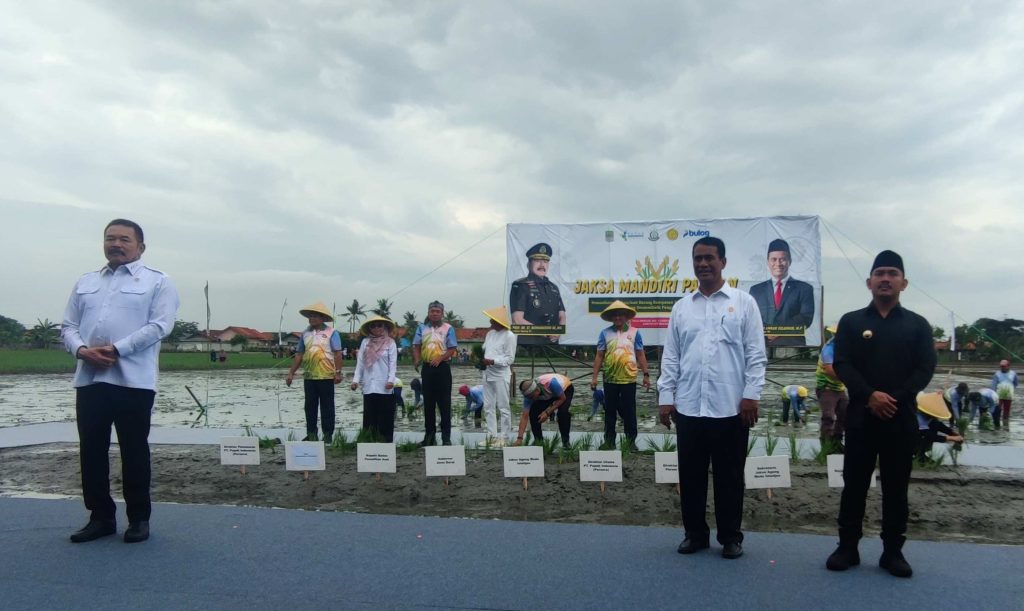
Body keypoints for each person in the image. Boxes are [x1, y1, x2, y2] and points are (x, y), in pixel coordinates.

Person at [61, 218, 180, 543]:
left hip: (134, 382)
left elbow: (160, 326)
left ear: (140, 246)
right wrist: (83, 350)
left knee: (134, 450)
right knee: (92, 450)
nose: (116, 244)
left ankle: (139, 518)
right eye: (110, 238)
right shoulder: (86, 281)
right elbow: (67, 326)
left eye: (124, 239)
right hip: (90, 380)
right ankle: (100, 517)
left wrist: (116, 349)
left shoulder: (158, 282)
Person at [826, 250, 936, 578]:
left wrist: (895, 399)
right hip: (861, 416)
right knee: (854, 485)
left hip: (901, 418)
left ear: (904, 282)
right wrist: (869, 395)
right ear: (869, 282)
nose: (885, 278)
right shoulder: (851, 322)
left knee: (896, 487)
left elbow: (925, 368)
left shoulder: (917, 325)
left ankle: (892, 552)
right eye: (879, 273)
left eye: (892, 273)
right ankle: (847, 547)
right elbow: (842, 363)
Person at [657, 236, 767, 560]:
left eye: (709, 258)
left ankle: (731, 537)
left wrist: (751, 396)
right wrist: (666, 395)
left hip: (731, 408)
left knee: (730, 477)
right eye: (698, 258)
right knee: (690, 477)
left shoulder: (744, 303)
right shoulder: (682, 307)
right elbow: (671, 357)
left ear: (723, 262)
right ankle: (695, 535)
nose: (703, 264)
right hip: (689, 407)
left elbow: (756, 355)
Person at [590, 300, 650, 451]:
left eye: (621, 315)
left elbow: (640, 354)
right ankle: (609, 441)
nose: (618, 317)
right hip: (610, 379)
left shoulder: (635, 332)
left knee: (630, 411)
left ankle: (630, 442)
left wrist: (646, 374)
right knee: (609, 412)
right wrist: (594, 377)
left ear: (626, 317)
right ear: (611, 317)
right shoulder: (605, 333)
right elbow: (599, 356)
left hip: (629, 379)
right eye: (615, 315)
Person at [286, 302, 343, 443]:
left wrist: (338, 372)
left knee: (327, 406)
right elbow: (299, 354)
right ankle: (311, 434)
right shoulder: (305, 333)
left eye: (315, 316)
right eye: (310, 316)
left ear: (322, 318)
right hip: (310, 376)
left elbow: (337, 354)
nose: (312, 318)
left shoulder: (332, 332)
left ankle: (328, 435)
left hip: (326, 376)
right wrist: (291, 373)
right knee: (309, 406)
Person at [748, 238, 815, 346]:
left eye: (782, 259)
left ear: (790, 261)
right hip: (761, 346)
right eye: (774, 259)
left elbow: (805, 318)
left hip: (793, 349)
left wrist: (778, 331)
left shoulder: (804, 289)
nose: (778, 263)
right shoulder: (756, 290)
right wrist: (768, 332)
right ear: (768, 262)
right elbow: (751, 318)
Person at [413, 301, 458, 446]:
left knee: (444, 404)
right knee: (429, 404)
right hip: (427, 369)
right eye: (432, 311)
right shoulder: (421, 328)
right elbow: (416, 345)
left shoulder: (448, 328)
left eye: (438, 311)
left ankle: (446, 438)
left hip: (443, 368)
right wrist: (417, 359)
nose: (435, 313)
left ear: (442, 313)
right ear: (428, 313)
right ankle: (429, 437)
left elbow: (452, 348)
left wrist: (440, 358)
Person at [351, 316, 398, 442]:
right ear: (369, 329)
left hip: (385, 386)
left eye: (379, 325)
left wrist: (390, 381)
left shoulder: (391, 343)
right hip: (369, 385)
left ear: (384, 327)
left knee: (385, 418)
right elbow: (360, 363)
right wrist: (355, 381)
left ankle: (386, 444)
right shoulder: (365, 342)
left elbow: (393, 365)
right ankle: (368, 445)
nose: (377, 328)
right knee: (370, 417)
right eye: (373, 326)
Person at [510, 242, 566, 344]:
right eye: (537, 260)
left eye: (545, 261)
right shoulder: (520, 285)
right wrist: (544, 332)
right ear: (529, 264)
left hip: (552, 345)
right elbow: (517, 320)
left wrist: (558, 332)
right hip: (528, 344)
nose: (542, 265)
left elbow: (562, 316)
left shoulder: (554, 288)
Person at [480, 306, 517, 445]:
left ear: (499, 321)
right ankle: (491, 435)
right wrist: (481, 360)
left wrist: (493, 361)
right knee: (488, 406)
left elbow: (509, 359)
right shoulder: (490, 334)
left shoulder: (509, 335)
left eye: (492, 320)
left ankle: (505, 436)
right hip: (487, 374)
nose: (490, 322)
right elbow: (485, 350)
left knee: (503, 406)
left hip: (501, 375)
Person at [515, 373, 574, 447]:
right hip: (549, 394)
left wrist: (547, 412)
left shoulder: (552, 384)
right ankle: (539, 441)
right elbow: (524, 416)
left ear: (537, 390)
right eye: (529, 398)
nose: (532, 399)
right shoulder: (529, 396)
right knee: (533, 412)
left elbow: (562, 399)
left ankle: (566, 442)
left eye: (532, 397)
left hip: (565, 390)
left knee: (562, 413)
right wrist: (519, 438)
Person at [816, 325, 848, 449]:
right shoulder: (829, 349)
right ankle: (826, 444)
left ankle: (837, 441)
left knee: (845, 414)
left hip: (839, 388)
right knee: (828, 416)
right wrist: (850, 379)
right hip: (827, 387)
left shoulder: (846, 348)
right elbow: (830, 370)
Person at [915, 392, 963, 463]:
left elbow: (939, 425)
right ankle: (918, 455)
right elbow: (929, 436)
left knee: (935, 424)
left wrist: (952, 433)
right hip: (908, 440)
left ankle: (922, 453)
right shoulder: (918, 418)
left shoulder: (929, 416)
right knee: (924, 437)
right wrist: (951, 438)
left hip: (921, 435)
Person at [991, 359, 1018, 429]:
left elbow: (1015, 383)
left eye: (1004, 366)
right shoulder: (997, 374)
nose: (1002, 368)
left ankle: (1005, 423)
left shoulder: (1013, 373)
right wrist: (993, 393)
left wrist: (1011, 389)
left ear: (1008, 366)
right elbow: (994, 384)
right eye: (1001, 366)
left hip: (1009, 395)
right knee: (998, 408)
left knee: (1007, 410)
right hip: (998, 394)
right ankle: (997, 422)